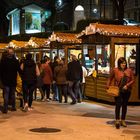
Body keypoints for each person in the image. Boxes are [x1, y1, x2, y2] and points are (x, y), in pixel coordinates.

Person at [107, 57, 134, 129]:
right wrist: (108, 86)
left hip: (127, 91)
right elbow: (110, 78)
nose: (124, 64)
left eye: (124, 63)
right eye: (122, 63)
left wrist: (127, 85)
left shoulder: (129, 70)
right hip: (118, 90)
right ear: (119, 64)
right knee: (118, 105)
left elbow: (132, 80)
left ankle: (123, 120)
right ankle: (117, 120)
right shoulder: (115, 70)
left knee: (124, 105)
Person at [0, 47, 21, 113]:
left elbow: (1, 71)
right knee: (12, 94)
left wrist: (1, 79)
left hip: (6, 80)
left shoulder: (3, 60)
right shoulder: (16, 61)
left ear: (7, 53)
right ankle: (13, 107)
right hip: (13, 80)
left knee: (6, 94)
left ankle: (5, 108)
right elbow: (19, 70)